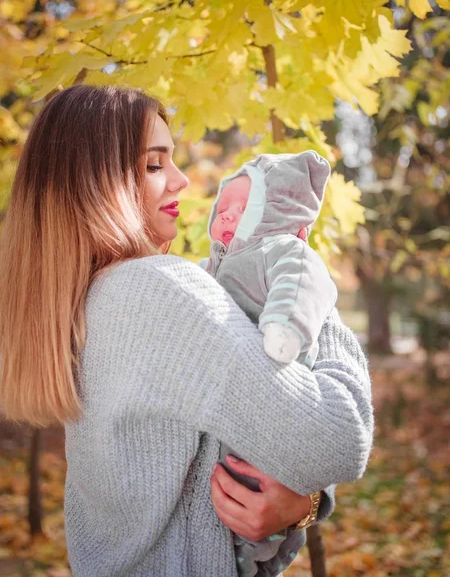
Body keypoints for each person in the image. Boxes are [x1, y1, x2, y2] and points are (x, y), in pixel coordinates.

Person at [0, 85, 374, 577]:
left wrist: (303, 503)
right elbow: (339, 440)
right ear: (97, 184)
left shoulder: (81, 301)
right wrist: (302, 276)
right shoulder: (154, 292)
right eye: (154, 165)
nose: (180, 180)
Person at [202, 152, 340, 576]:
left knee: (255, 489)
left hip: (275, 395)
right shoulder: (209, 268)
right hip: (226, 427)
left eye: (242, 209)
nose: (227, 216)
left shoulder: (281, 250)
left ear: (274, 213)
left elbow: (303, 278)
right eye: (222, 208)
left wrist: (284, 327)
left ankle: (257, 558)